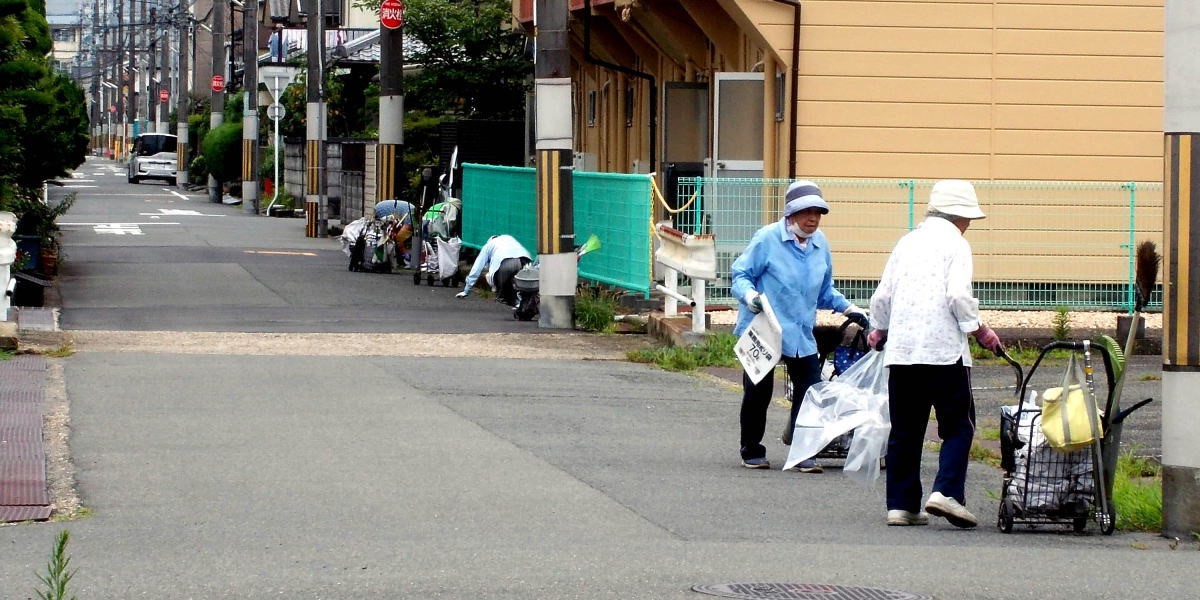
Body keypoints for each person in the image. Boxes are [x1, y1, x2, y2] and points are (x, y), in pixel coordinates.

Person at [867, 179, 1003, 528]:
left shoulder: (907, 242)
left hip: (902, 351)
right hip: (943, 352)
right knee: (958, 426)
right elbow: (957, 296)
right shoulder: (955, 245)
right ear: (960, 217)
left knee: (906, 430)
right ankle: (947, 492)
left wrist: (879, 329)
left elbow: (882, 297)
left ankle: (901, 505)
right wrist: (981, 330)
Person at [730, 180, 868, 472]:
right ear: (791, 213)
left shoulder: (820, 244)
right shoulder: (767, 238)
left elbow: (825, 291)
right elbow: (740, 274)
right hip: (764, 328)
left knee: (810, 391)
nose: (813, 218)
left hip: (800, 331)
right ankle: (751, 449)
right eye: (807, 212)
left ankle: (803, 451)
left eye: (818, 213)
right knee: (758, 392)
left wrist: (850, 308)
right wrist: (751, 296)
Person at [456, 234, 532, 306]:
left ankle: (511, 301)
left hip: (505, 263)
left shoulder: (488, 245)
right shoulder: (508, 238)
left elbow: (477, 268)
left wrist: (466, 290)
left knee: (504, 290)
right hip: (525, 260)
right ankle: (522, 304)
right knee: (523, 286)